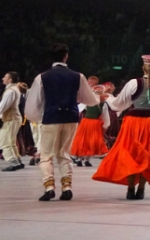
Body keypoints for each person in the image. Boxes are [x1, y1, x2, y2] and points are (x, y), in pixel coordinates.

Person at [93, 55, 150, 200]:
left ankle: (130, 188)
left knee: (131, 153)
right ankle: (141, 189)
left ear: (143, 67)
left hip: (133, 122)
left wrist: (109, 98)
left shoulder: (133, 83)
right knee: (147, 154)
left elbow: (119, 104)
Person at [26, 43, 98, 201]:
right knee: (64, 154)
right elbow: (90, 100)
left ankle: (49, 187)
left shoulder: (42, 77)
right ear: (66, 56)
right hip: (71, 117)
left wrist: (38, 118)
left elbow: (34, 103)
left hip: (51, 117)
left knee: (46, 155)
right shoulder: (78, 76)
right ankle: (67, 187)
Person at [69, 86, 110, 168]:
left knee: (83, 140)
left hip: (86, 122)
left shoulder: (88, 102)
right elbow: (105, 116)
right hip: (95, 124)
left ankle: (80, 160)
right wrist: (106, 126)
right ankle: (87, 160)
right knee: (91, 141)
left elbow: (78, 109)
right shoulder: (103, 104)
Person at [0, 72, 22, 171]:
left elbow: (3, 106)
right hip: (14, 118)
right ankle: (18, 161)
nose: (3, 78)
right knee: (11, 141)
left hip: (11, 119)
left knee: (5, 142)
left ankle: (14, 163)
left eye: (5, 77)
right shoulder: (14, 89)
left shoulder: (10, 91)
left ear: (10, 80)